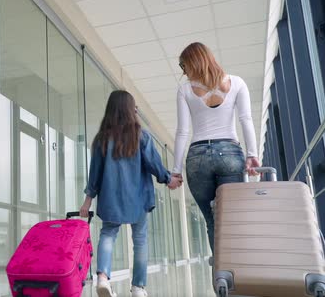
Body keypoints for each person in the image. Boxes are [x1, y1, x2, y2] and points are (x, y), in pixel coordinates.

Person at [80, 90, 182, 297]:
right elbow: (154, 164)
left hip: (110, 199)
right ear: (130, 109)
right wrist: (168, 179)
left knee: (108, 234)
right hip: (138, 199)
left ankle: (102, 278)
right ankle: (138, 287)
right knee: (140, 240)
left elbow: (95, 175)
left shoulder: (101, 139)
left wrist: (87, 201)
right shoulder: (141, 136)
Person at [172, 42, 260, 254]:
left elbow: (183, 131)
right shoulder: (237, 83)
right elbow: (245, 119)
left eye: (184, 67)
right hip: (230, 153)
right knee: (233, 220)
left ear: (194, 63)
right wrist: (252, 155)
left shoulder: (185, 90)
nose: (184, 73)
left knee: (213, 222)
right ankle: (240, 275)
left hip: (197, 159)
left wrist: (176, 170)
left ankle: (223, 279)